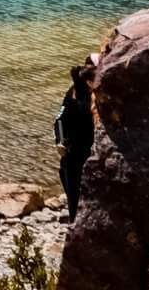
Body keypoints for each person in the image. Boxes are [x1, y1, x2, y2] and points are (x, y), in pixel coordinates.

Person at [55, 60, 95, 216]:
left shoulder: (96, 95)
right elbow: (59, 120)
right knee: (73, 193)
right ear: (88, 81)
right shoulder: (72, 96)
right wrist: (59, 141)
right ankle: (74, 222)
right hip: (74, 151)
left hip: (90, 150)